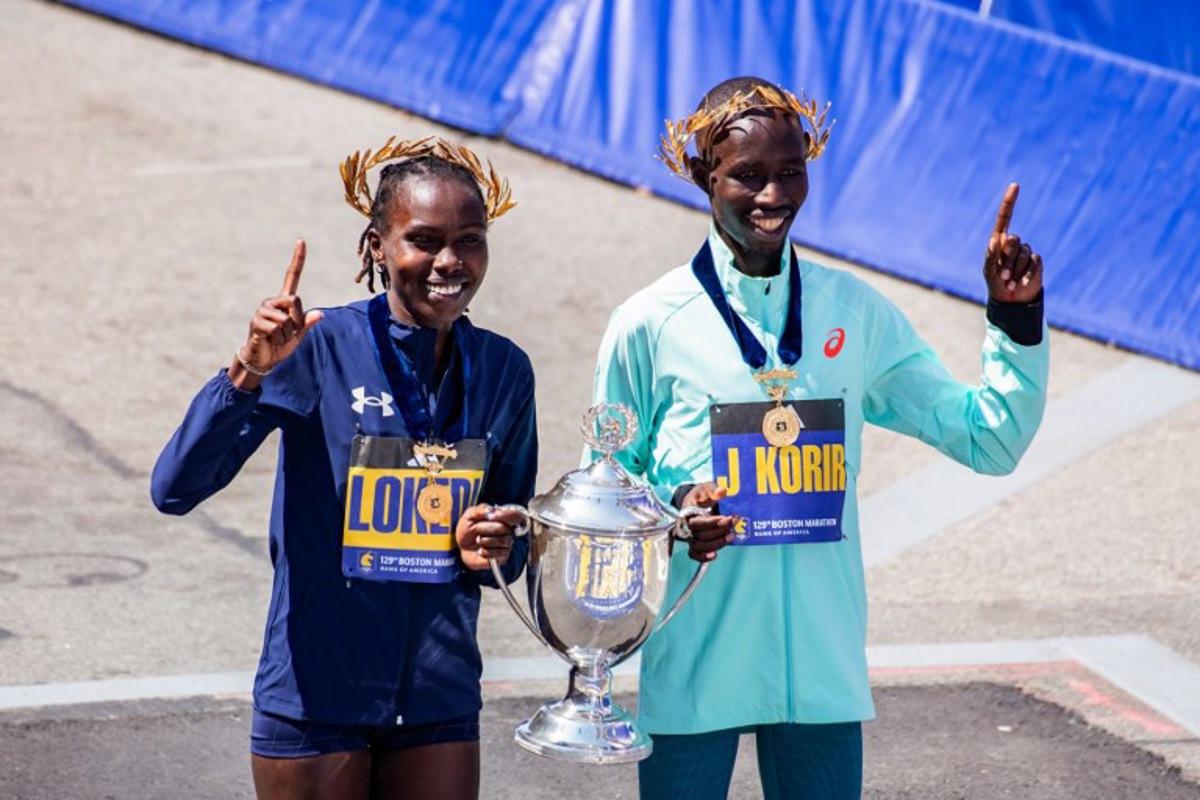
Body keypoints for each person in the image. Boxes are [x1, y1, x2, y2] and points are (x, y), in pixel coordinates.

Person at [589, 77, 1048, 799]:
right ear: (703, 174)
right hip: (696, 661)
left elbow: (988, 438)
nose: (773, 196)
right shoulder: (650, 323)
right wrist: (676, 513)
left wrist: (1015, 320)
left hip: (821, 676)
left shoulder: (853, 312)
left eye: (790, 171)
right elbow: (602, 493)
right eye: (747, 175)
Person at [151, 137, 535, 800]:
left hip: (437, 699)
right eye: (423, 239)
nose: (449, 261)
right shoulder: (316, 345)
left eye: (470, 239)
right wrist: (249, 372)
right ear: (377, 247)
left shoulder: (504, 369)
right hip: (314, 695)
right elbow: (175, 488)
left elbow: (512, 542)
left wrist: (496, 541)